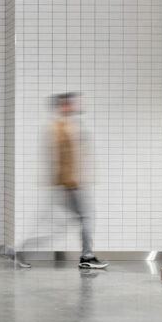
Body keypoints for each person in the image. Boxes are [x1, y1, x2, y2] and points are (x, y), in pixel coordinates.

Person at [51, 93, 107, 269]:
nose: (72, 107)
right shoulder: (63, 128)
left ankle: (87, 255)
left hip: (76, 183)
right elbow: (65, 157)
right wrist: (69, 182)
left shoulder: (72, 125)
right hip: (74, 184)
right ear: (61, 107)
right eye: (67, 105)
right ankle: (87, 257)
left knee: (82, 218)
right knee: (86, 217)